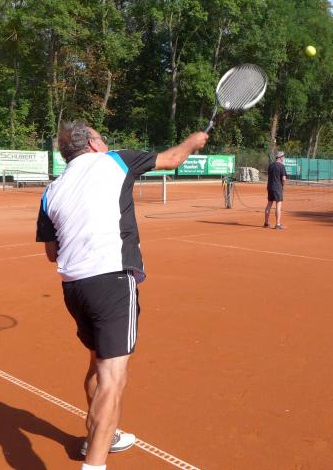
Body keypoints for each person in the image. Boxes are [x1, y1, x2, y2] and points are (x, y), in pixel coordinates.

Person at [36, 121, 208, 470]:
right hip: (112, 281)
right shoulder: (114, 160)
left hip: (74, 287)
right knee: (112, 378)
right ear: (92, 144)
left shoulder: (52, 190)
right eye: (101, 136)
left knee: (96, 362)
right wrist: (194, 140)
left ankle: (103, 436)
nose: (105, 140)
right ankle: (94, 465)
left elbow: (52, 253)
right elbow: (173, 159)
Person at [264, 151, 287, 229]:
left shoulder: (270, 165)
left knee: (269, 204)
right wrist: (282, 185)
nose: (284, 158)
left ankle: (266, 223)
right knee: (278, 204)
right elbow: (284, 179)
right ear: (280, 157)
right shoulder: (281, 166)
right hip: (278, 187)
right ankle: (278, 224)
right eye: (283, 157)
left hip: (270, 187)